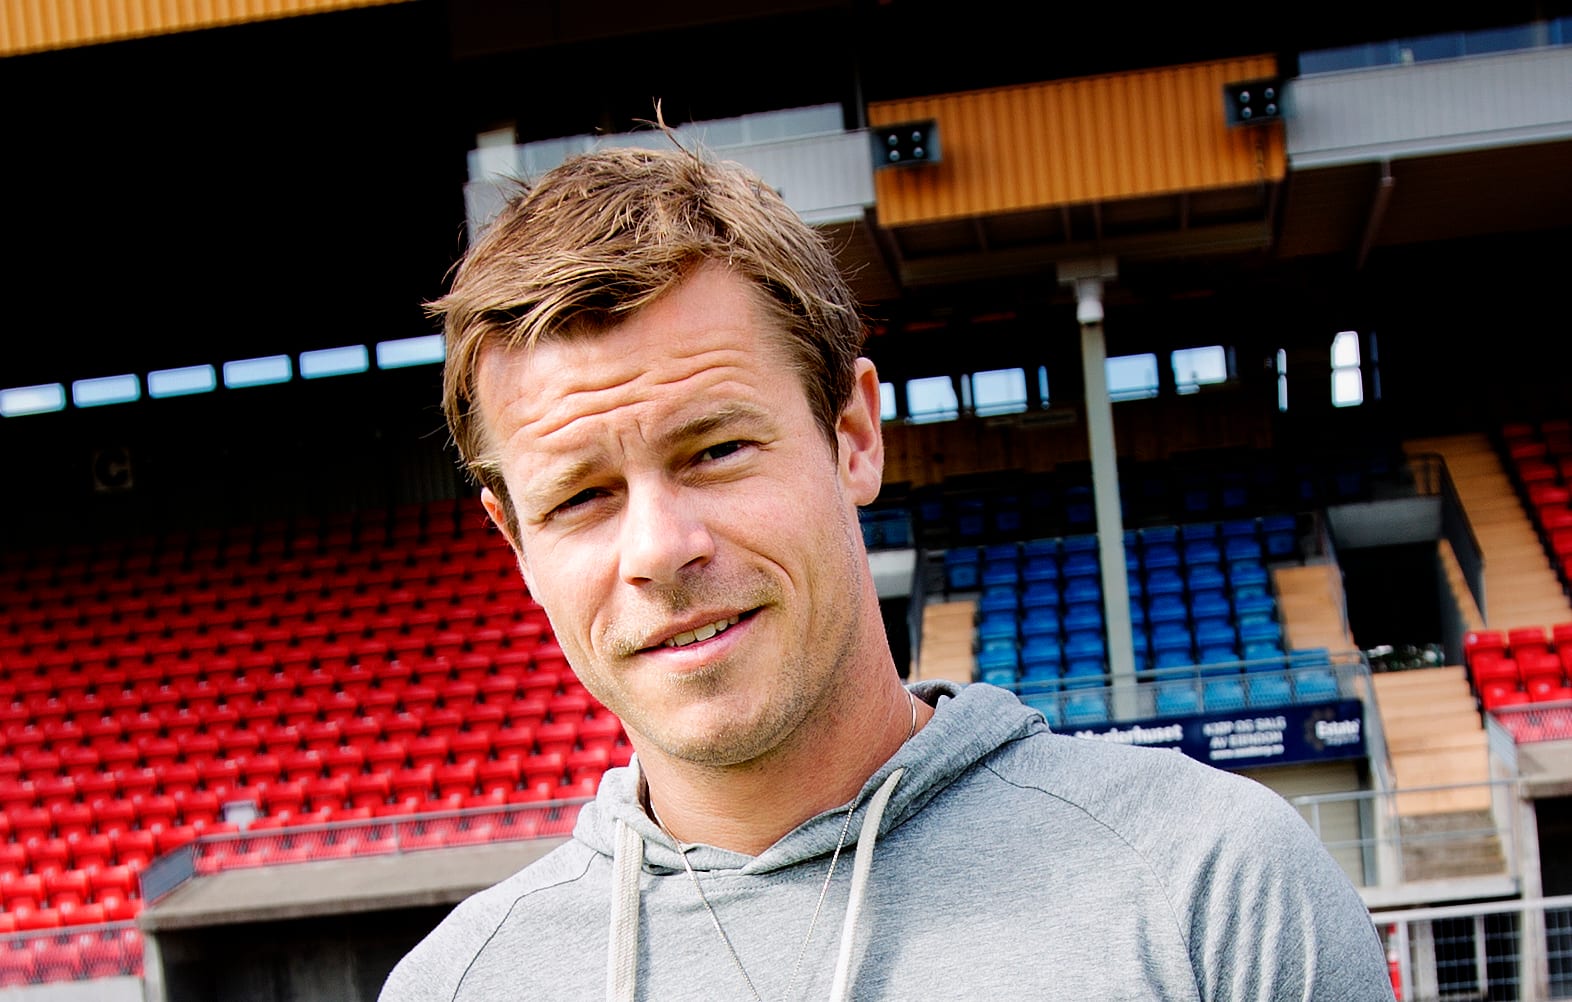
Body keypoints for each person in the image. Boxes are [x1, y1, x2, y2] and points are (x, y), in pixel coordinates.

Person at [380, 142, 1394, 1001]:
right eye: (580, 498)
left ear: (855, 435)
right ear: (518, 545)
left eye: (716, 450)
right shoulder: (458, 987)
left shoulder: (1211, 888)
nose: (658, 548)